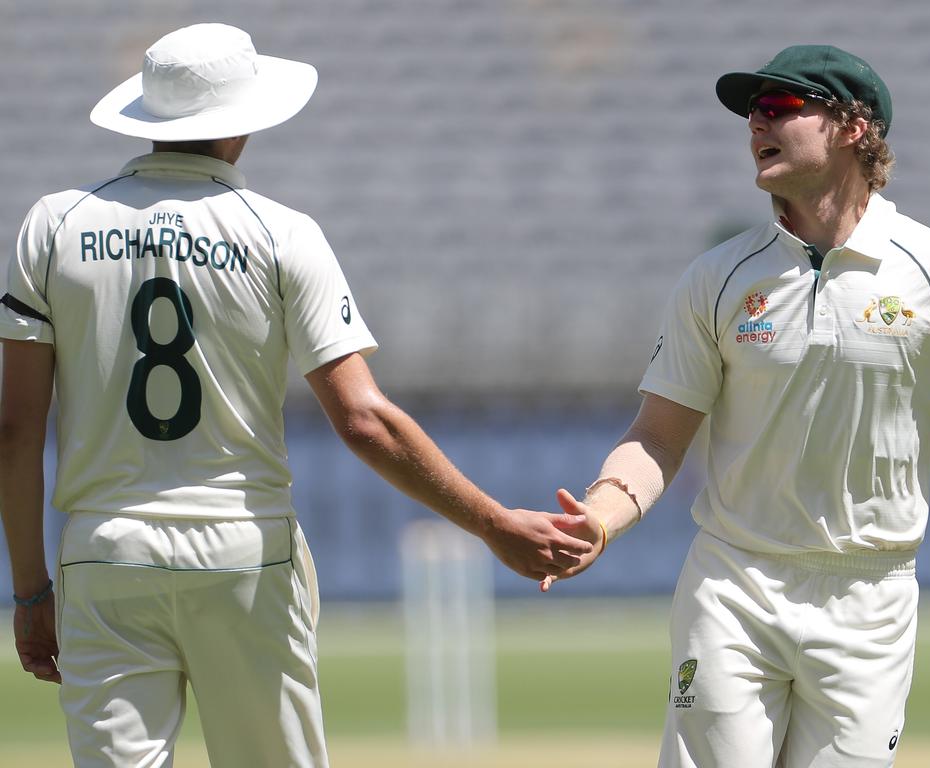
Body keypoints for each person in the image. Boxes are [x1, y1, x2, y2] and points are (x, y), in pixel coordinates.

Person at [0, 23, 592, 768]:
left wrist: (29, 591)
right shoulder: (281, 233)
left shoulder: (53, 225)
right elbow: (363, 419)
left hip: (105, 552)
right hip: (244, 553)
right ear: (241, 123)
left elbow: (14, 431)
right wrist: (494, 523)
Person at [542, 44, 930, 767]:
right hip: (735, 583)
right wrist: (599, 519)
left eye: (779, 107)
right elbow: (659, 436)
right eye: (751, 113)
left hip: (871, 596)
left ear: (852, 127)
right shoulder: (719, 275)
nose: (755, 124)